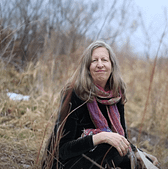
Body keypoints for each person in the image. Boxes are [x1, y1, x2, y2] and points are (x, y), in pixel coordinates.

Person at [42, 40, 159, 169]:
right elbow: (61, 150)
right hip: (65, 163)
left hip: (102, 156)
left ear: (112, 65)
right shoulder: (74, 93)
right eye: (94, 61)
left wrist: (140, 153)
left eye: (104, 60)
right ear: (87, 67)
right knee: (113, 151)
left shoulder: (116, 95)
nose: (100, 65)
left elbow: (120, 139)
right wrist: (101, 137)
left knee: (145, 163)